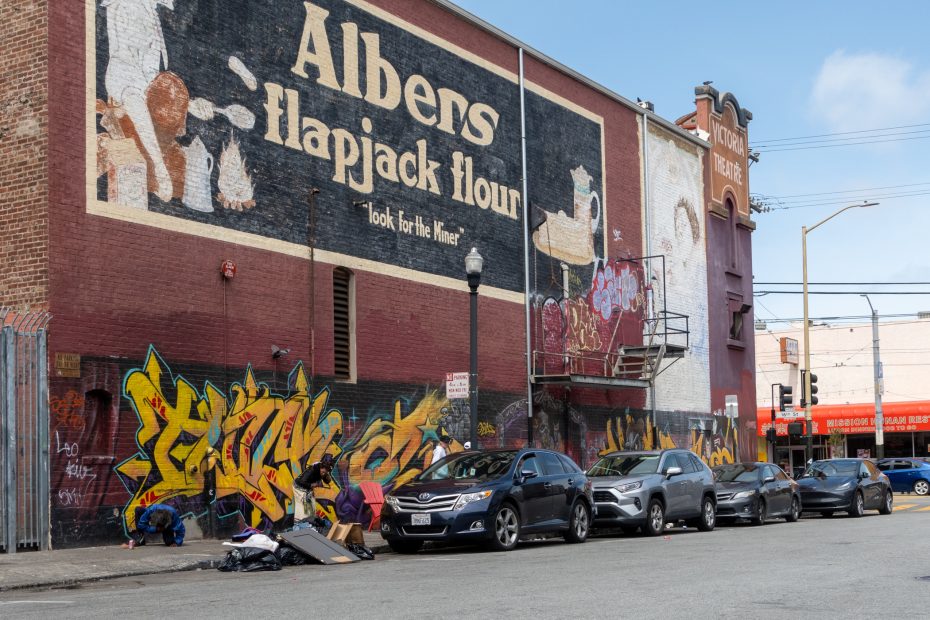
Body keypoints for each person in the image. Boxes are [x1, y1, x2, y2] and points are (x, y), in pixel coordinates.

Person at [294, 454, 335, 521]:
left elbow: (324, 477)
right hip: (299, 487)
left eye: (325, 473)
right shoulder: (312, 470)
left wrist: (326, 479)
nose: (323, 474)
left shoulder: (322, 469)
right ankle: (300, 522)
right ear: (321, 468)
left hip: (307, 488)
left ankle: (309, 521)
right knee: (303, 507)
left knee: (311, 505)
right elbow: (300, 482)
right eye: (323, 472)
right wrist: (311, 485)